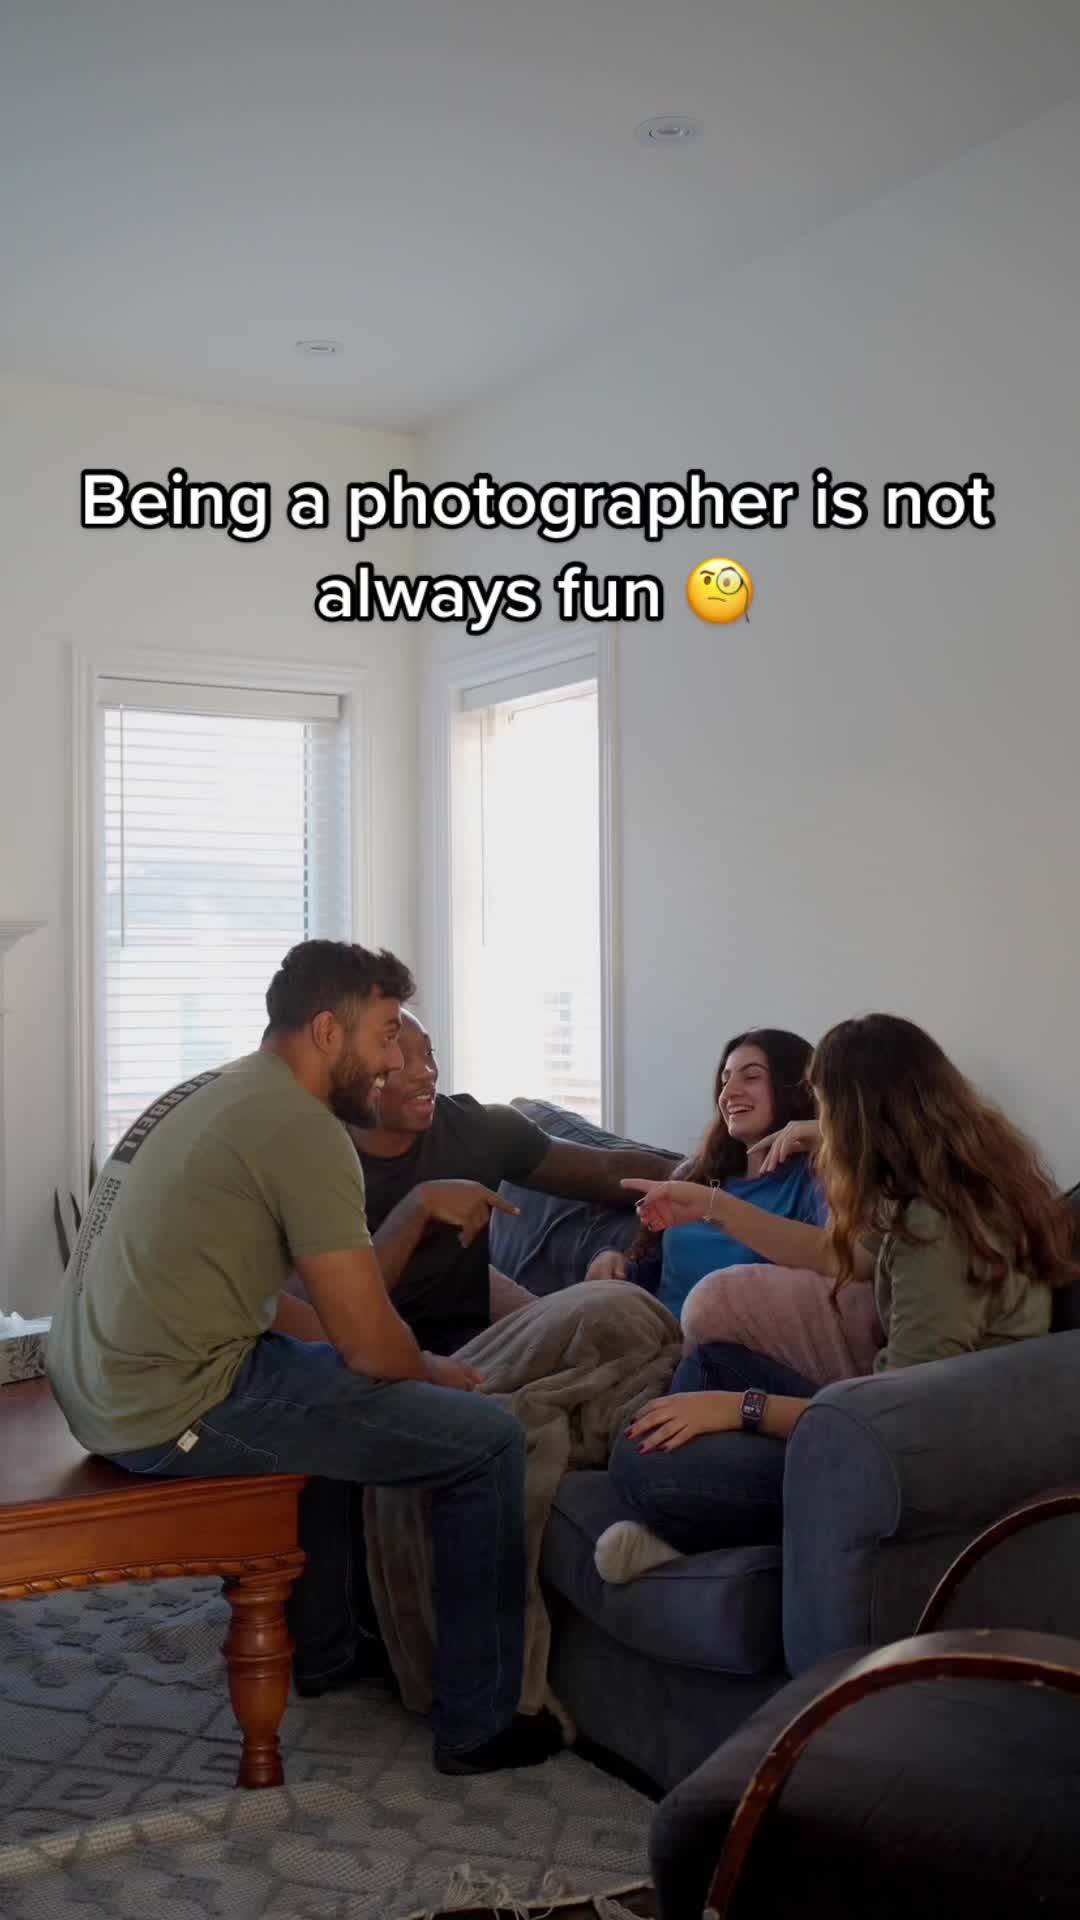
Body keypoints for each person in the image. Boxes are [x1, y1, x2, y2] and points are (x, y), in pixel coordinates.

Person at [47, 940, 562, 1776]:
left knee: (320, 1401)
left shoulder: (211, 1090)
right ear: (328, 1031)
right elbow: (369, 1344)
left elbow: (287, 1312)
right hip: (168, 1407)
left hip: (96, 1384)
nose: (394, 1060)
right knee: (487, 1442)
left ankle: (324, 1651)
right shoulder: (304, 1130)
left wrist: (385, 1362)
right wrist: (435, 1374)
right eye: (387, 1035)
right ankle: (480, 1724)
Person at [601, 1013, 1074, 1580]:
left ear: (860, 1117)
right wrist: (711, 1205)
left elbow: (898, 1417)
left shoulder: (935, 1229)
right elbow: (834, 1254)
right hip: (887, 1415)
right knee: (709, 1364)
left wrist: (740, 1408)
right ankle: (698, 1521)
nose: (820, 1124)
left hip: (910, 1460)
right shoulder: (937, 1194)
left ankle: (694, 1531)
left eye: (825, 1109)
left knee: (641, 1463)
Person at [345, 1008, 677, 1354]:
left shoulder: (476, 1129)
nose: (427, 1072)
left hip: (478, 1354)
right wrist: (418, 1207)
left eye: (428, 1053)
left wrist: (707, 1179)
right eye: (400, 1057)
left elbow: (608, 1171)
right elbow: (333, 1318)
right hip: (369, 1359)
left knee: (619, 1318)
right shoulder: (322, 1160)